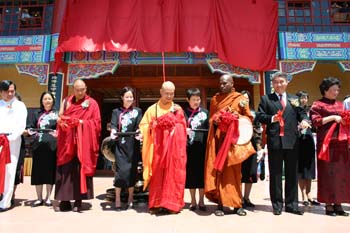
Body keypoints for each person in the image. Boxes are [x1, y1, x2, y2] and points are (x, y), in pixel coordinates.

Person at [256, 72, 310, 216]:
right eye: (275, 82)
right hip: (275, 141)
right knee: (276, 174)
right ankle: (277, 205)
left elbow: (302, 114)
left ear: (287, 82)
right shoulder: (266, 99)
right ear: (272, 84)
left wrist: (305, 120)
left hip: (292, 141)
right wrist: (272, 118)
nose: (278, 84)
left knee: (292, 174)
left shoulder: (294, 99)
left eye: (281, 82)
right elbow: (260, 115)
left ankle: (292, 205)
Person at [205, 74, 256, 217]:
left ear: (232, 84)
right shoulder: (215, 99)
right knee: (220, 172)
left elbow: (249, 117)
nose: (222, 86)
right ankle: (220, 204)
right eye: (220, 83)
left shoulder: (240, 99)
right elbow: (211, 119)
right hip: (220, 141)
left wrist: (235, 117)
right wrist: (216, 119)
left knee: (235, 173)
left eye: (225, 83)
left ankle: (237, 204)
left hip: (234, 142)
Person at [139, 81, 187, 214]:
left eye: (172, 94)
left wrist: (172, 124)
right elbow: (143, 126)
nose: (169, 96)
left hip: (173, 151)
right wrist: (154, 126)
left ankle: (172, 205)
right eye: (167, 93)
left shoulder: (178, 109)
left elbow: (183, 128)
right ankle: (156, 204)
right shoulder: (152, 109)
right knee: (157, 177)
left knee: (173, 176)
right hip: (158, 150)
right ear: (161, 92)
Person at [54, 79, 101, 212]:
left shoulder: (92, 103)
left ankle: (79, 201)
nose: (80, 92)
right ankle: (64, 200)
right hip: (67, 143)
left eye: (82, 89)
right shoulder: (66, 101)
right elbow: (60, 117)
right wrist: (60, 120)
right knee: (66, 170)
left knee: (79, 169)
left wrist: (81, 122)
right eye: (77, 90)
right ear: (73, 89)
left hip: (82, 143)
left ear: (86, 89)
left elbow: (96, 124)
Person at [309, 77, 350, 217]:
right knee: (327, 174)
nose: (336, 92)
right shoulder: (317, 104)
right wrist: (333, 117)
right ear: (325, 90)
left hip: (341, 144)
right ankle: (328, 204)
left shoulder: (340, 104)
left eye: (337, 89)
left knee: (341, 174)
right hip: (326, 144)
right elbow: (316, 122)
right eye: (333, 89)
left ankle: (338, 204)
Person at [110, 87, 142, 211]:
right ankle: (117, 199)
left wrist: (139, 132)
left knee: (131, 173)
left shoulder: (138, 111)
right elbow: (113, 125)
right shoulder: (116, 112)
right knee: (120, 172)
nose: (129, 99)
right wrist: (113, 131)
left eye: (131, 97)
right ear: (122, 97)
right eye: (127, 97)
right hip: (120, 145)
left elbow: (139, 125)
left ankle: (130, 199)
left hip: (132, 145)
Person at [26, 92, 58, 207]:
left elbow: (60, 129)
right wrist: (30, 131)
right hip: (38, 146)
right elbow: (29, 127)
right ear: (42, 101)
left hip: (52, 147)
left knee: (50, 171)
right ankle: (39, 198)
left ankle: (48, 197)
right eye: (45, 99)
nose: (47, 101)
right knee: (38, 172)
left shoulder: (57, 114)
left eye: (49, 99)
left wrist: (57, 133)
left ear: (53, 101)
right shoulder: (36, 113)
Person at [0, 80, 27, 211]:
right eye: (7, 91)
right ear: (1, 92)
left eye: (12, 91)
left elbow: (21, 126)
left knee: (9, 171)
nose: (10, 94)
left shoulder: (20, 105)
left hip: (11, 141)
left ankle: (5, 202)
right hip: (0, 139)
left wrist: (10, 138)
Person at [184, 88, 209, 211]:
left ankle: (201, 200)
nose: (196, 102)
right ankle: (193, 201)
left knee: (201, 176)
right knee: (191, 176)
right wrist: (184, 130)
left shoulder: (205, 112)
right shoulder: (183, 114)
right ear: (187, 100)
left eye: (198, 99)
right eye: (193, 99)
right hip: (189, 149)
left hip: (202, 148)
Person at [295, 90, 319, 207]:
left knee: (309, 168)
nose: (304, 100)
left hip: (309, 139)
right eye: (302, 98)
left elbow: (315, 125)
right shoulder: (294, 110)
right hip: (298, 141)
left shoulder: (311, 110)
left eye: (305, 98)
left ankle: (310, 194)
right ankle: (303, 195)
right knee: (301, 168)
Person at [240, 90, 264, 209]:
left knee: (250, 172)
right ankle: (238, 198)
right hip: (239, 146)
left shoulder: (255, 113)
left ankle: (247, 197)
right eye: (242, 98)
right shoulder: (236, 112)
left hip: (252, 145)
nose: (245, 101)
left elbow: (259, 132)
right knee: (239, 173)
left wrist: (259, 148)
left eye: (247, 99)